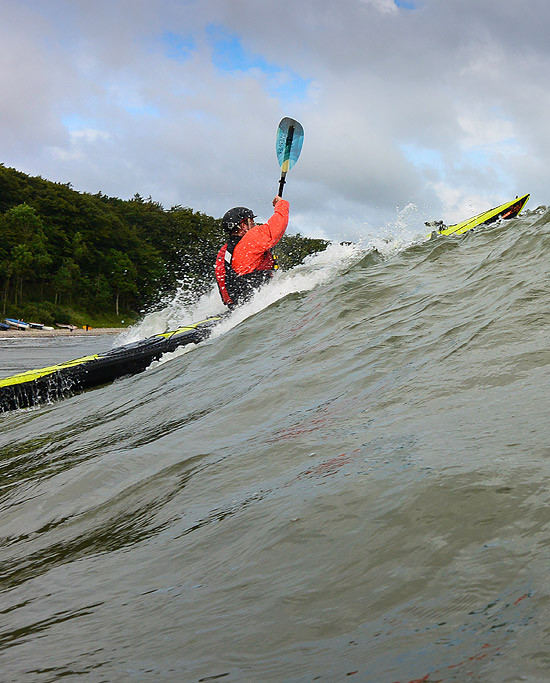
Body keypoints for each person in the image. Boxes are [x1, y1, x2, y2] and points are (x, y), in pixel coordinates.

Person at [215, 196, 289, 308]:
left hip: (238, 303)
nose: (254, 225)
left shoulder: (225, 250)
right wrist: (280, 204)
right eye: (252, 222)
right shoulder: (250, 239)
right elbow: (278, 225)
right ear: (243, 226)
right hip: (255, 297)